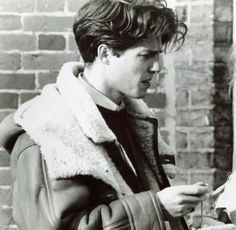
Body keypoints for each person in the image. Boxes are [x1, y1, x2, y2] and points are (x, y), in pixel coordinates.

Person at [0, 0, 225, 229]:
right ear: (105, 53)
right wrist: (156, 206)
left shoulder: (132, 119)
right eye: (146, 55)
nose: (156, 67)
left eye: (157, 57)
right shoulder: (46, 130)